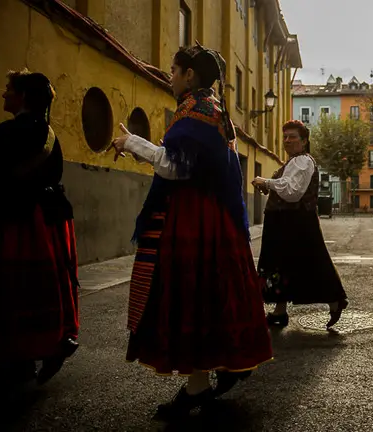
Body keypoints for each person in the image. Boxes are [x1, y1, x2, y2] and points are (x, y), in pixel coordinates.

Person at [110, 44, 272, 418]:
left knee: (193, 295)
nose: (169, 76)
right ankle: (225, 365)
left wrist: (132, 142)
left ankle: (199, 385)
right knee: (213, 294)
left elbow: (175, 167)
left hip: (197, 218)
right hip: (214, 218)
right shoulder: (209, 110)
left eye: (173, 70)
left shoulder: (197, 113)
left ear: (189, 75)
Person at [0, 70, 79, 385]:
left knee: (15, 292)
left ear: (22, 97)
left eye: (9, 90)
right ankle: (48, 343)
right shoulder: (49, 133)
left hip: (17, 224)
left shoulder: (8, 132)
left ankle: (19, 358)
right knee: (44, 290)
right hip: (47, 224)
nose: (4, 94)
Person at [252, 120, 348, 329]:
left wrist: (266, 182)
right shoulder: (293, 162)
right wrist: (271, 186)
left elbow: (292, 192)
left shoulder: (303, 161)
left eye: (292, 136)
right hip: (284, 220)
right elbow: (287, 187)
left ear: (304, 141)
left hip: (296, 222)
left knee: (310, 263)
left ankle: (335, 301)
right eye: (285, 136)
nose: (287, 140)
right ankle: (279, 310)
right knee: (281, 264)